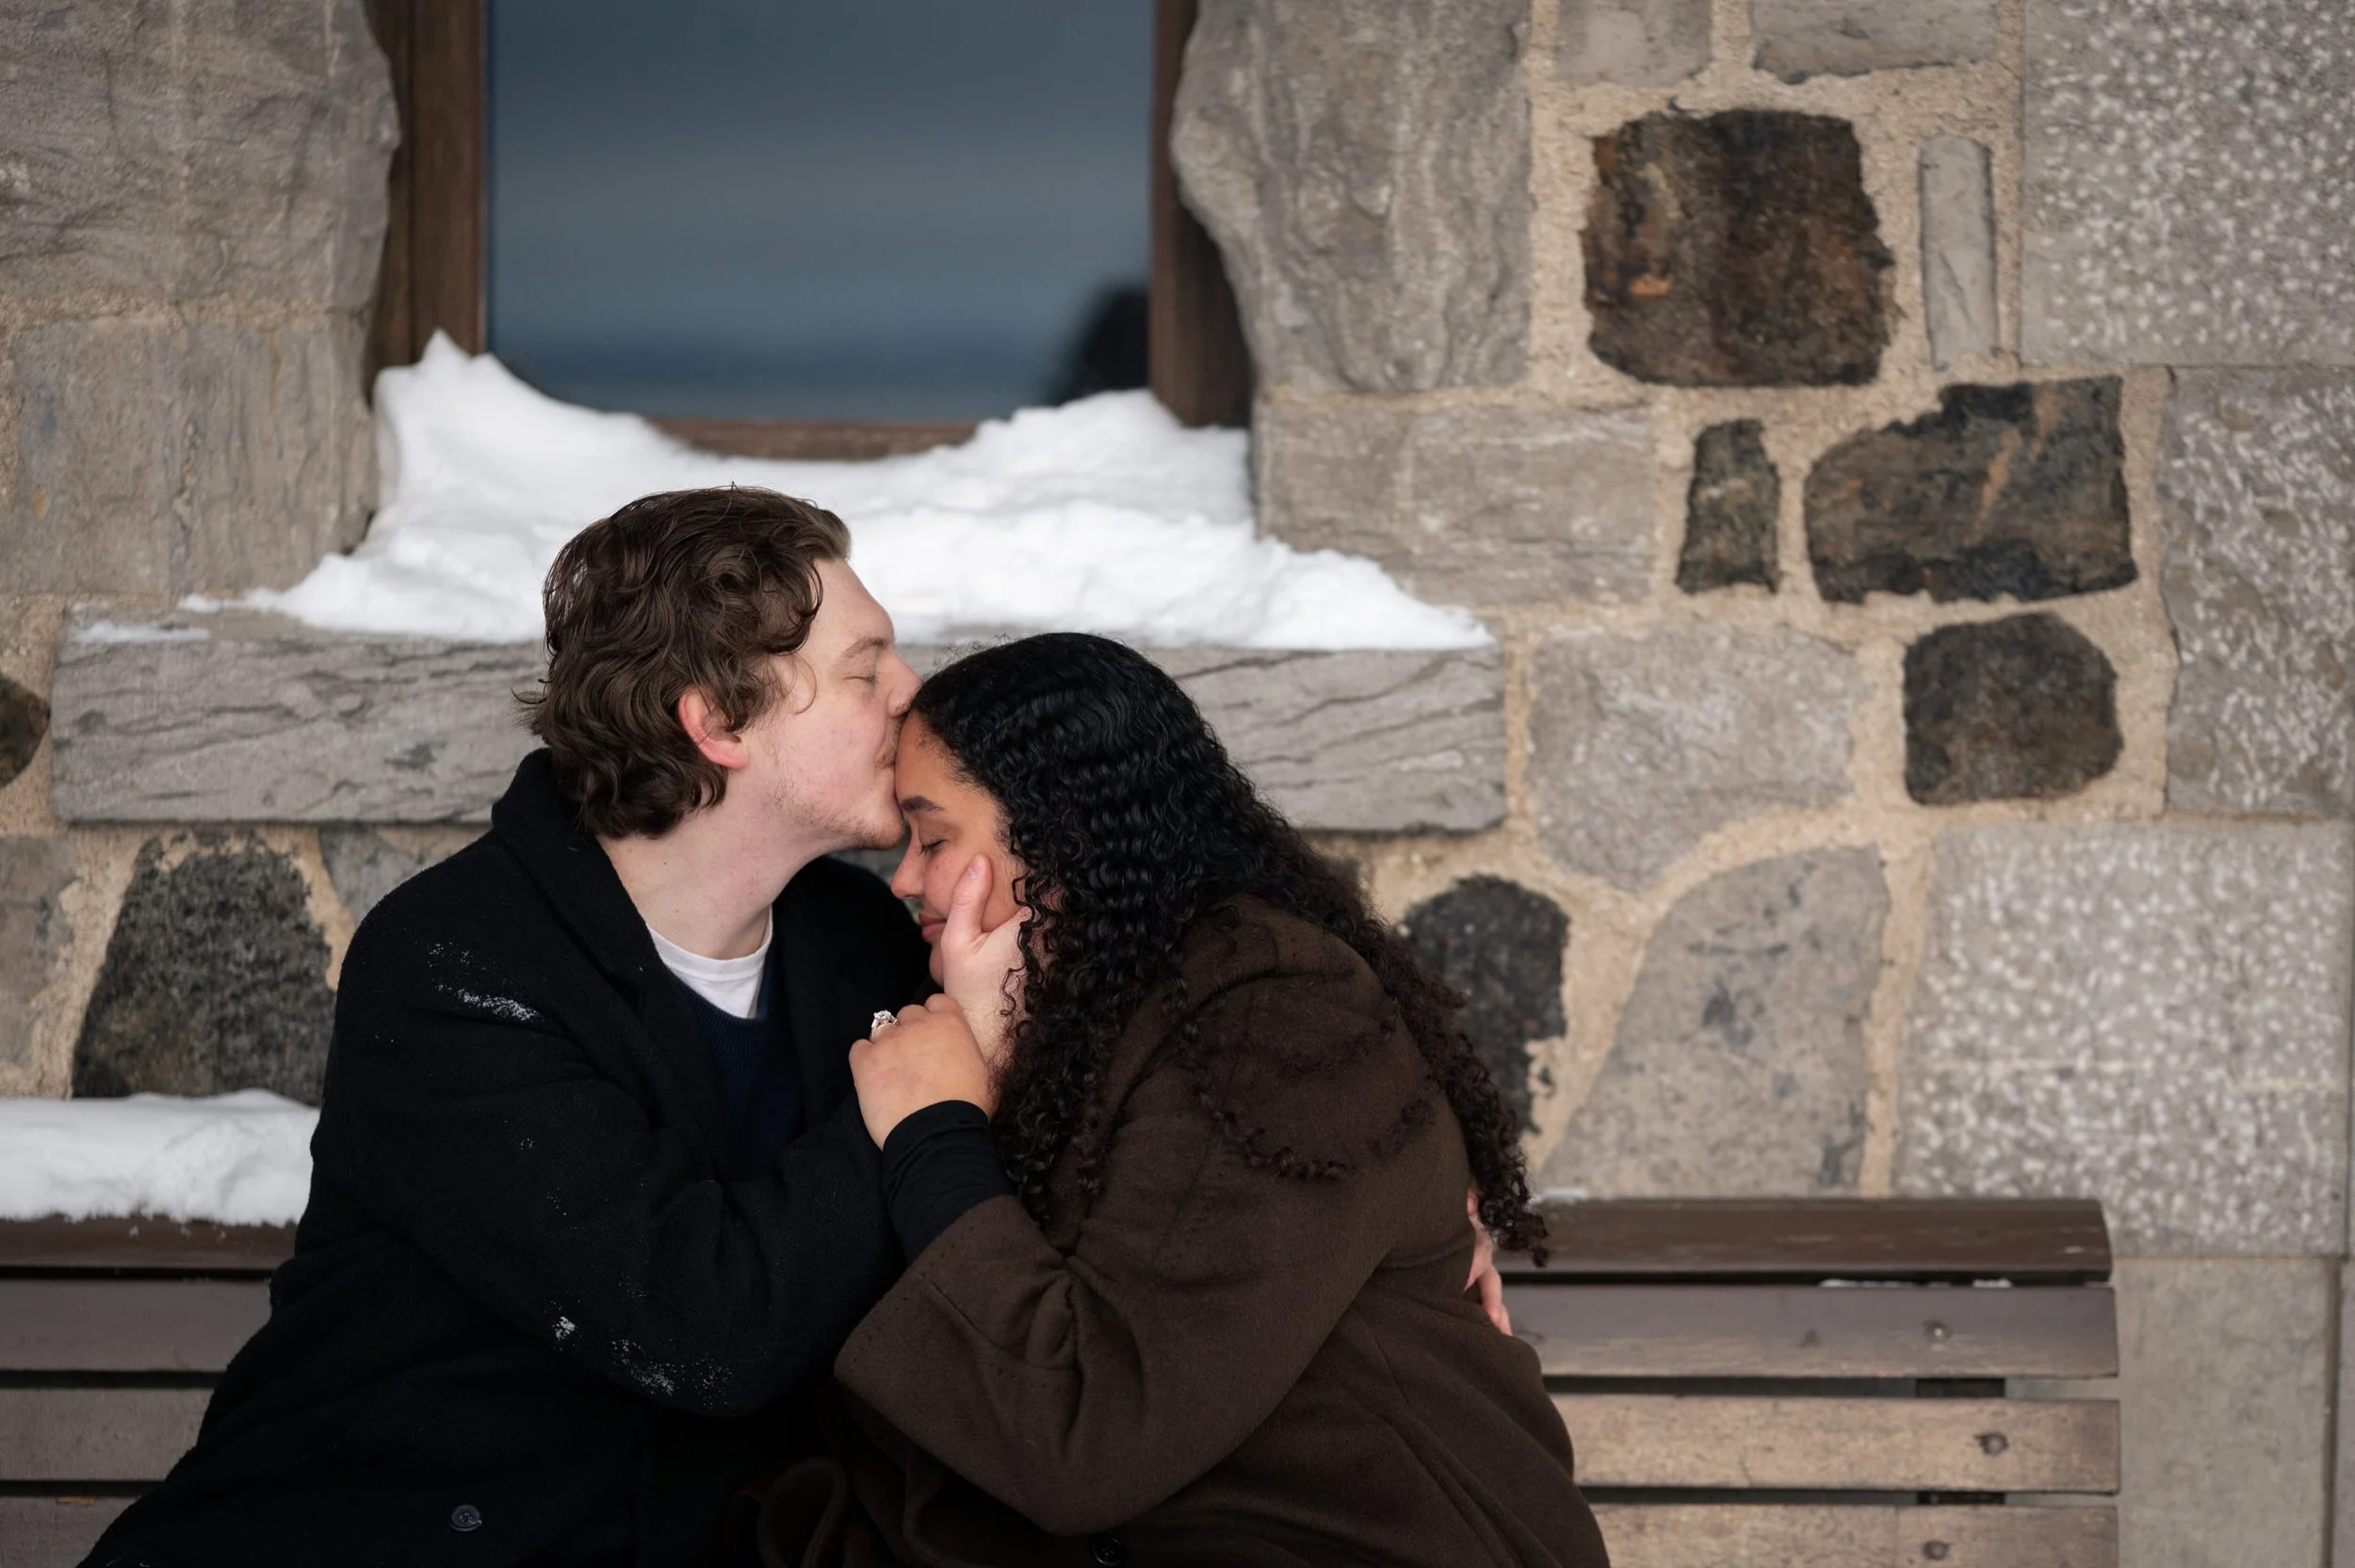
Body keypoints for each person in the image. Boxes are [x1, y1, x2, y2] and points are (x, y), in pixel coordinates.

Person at [83, 488, 1010, 1568]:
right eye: (866, 670)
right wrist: (918, 1094)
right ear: (714, 721)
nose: (911, 695)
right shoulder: (455, 967)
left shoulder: (856, 946)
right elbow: (700, 1331)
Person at [789, 633, 1611, 1567]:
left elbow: (1087, 1438)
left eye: (933, 838)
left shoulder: (1272, 1014)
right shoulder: (1101, 1007)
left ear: (1064, 829)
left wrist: (935, 1131)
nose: (904, 880)